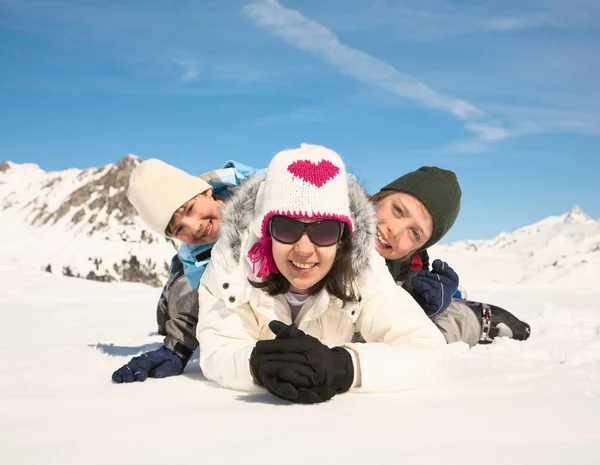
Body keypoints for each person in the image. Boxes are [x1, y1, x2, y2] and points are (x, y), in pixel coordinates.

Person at [196, 143, 448, 403]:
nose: (304, 250)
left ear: (342, 238)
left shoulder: (364, 268)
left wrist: (346, 367)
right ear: (266, 231)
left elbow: (426, 349)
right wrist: (256, 364)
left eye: (324, 231)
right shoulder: (232, 261)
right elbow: (218, 349)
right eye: (286, 227)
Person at [111, 159, 257, 383]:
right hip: (193, 277)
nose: (194, 226)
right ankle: (169, 294)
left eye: (189, 209)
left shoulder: (264, 189)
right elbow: (204, 299)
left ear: (206, 191)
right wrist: (176, 348)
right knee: (181, 296)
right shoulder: (194, 256)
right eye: (179, 229)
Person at [371, 167, 531, 346]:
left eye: (415, 233)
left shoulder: (403, 268)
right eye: (398, 210)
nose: (395, 230)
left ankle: (469, 318)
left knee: (430, 337)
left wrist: (420, 308)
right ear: (379, 197)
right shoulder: (335, 227)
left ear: (417, 249)